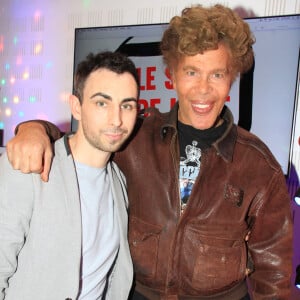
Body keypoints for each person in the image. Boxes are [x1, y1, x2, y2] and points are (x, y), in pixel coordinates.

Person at [6, 4, 293, 299]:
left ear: (231, 78)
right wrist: (35, 129)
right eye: (192, 72)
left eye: (217, 75)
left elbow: (274, 275)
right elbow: (85, 139)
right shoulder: (135, 138)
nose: (203, 89)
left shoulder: (257, 165)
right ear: (173, 75)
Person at [0, 51, 140, 299]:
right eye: (101, 103)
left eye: (126, 105)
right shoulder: (29, 165)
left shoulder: (119, 180)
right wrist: (31, 127)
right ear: (76, 106)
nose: (116, 119)